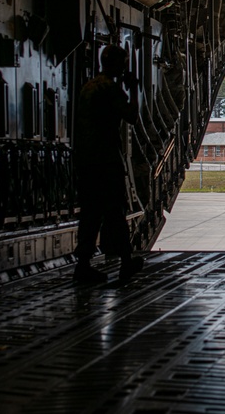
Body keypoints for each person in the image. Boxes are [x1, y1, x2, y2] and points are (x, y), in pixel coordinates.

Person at [72, 44, 145, 283]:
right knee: (115, 211)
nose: (124, 68)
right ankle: (126, 262)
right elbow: (132, 117)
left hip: (86, 159)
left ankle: (82, 264)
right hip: (105, 158)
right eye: (123, 63)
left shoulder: (89, 87)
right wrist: (134, 90)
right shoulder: (110, 89)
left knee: (90, 213)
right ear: (115, 64)